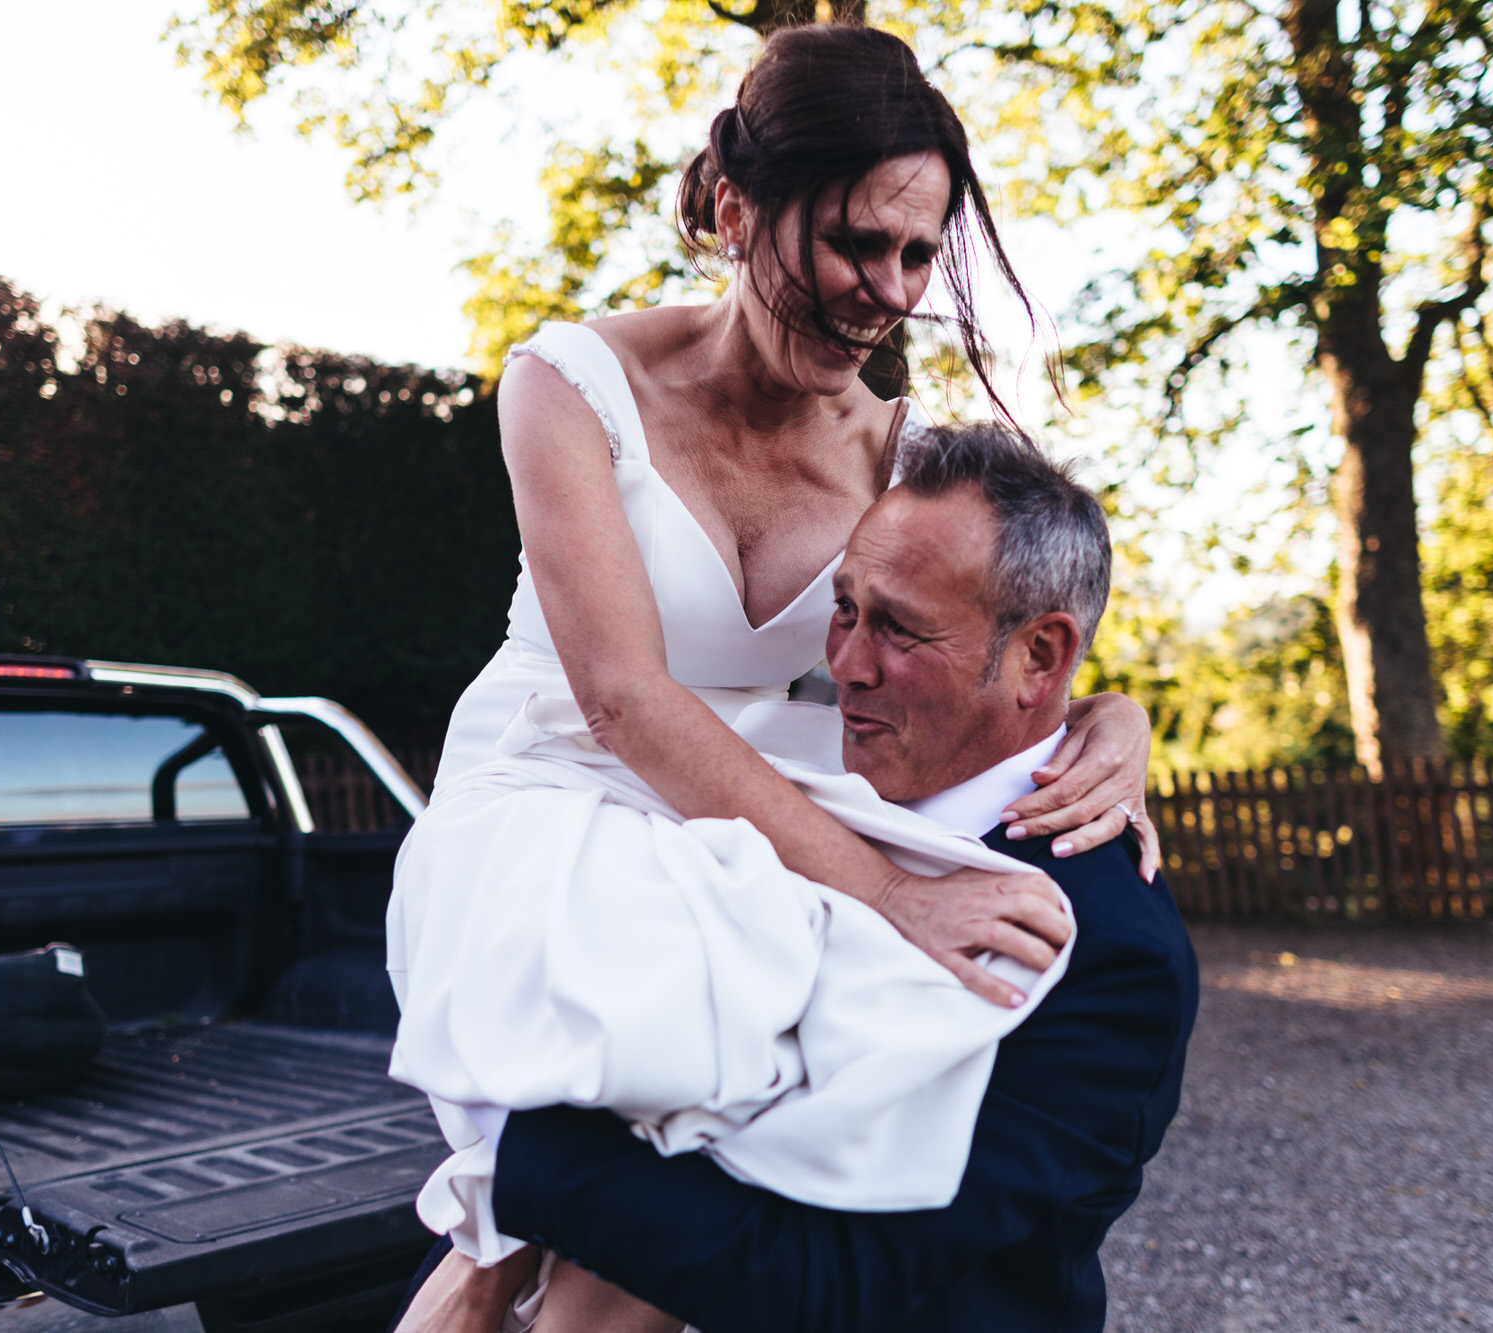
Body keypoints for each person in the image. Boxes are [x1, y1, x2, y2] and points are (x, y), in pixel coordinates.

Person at [387, 24, 1162, 1330]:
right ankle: (493, 1227)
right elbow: (624, 699)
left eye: (921, 252)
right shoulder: (572, 383)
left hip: (764, 830)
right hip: (568, 808)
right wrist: (889, 896)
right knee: (583, 1196)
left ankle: (500, 1228)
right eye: (861, 241)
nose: (894, 288)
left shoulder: (901, 448)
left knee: (646, 1252)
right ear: (738, 209)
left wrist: (1109, 714)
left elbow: (990, 630)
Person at [424, 423, 1200, 1333]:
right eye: (844, 609)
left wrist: (511, 1111)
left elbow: (819, 1284)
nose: (844, 665)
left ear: (1040, 657)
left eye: (899, 629)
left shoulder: (1112, 950)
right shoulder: (787, 788)